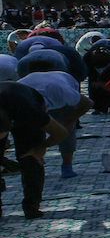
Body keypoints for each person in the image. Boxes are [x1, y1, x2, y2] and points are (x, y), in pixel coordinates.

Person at [0, 81, 71, 219]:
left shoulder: (30, 112)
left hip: (27, 99)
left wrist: (40, 148)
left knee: (29, 158)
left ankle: (32, 205)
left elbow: (61, 133)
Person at [17, 70, 91, 179]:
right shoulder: (20, 97)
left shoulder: (63, 93)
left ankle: (67, 165)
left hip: (60, 94)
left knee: (67, 131)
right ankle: (35, 162)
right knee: (32, 133)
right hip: (34, 93)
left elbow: (88, 103)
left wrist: (71, 120)